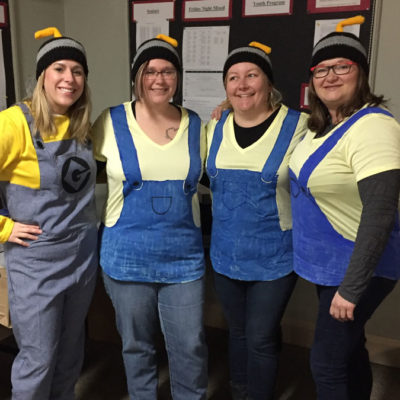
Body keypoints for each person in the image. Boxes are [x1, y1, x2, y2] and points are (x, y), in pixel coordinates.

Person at [289, 16, 400, 399]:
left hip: (358, 267)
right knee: (350, 350)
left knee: (326, 362)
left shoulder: (373, 127)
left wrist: (352, 290)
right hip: (332, 263)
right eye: (321, 69)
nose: (330, 76)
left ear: (361, 74)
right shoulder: (323, 126)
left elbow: (380, 213)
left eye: (342, 66)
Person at [92, 34, 208, 399]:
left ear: (177, 77)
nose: (159, 79)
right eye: (150, 71)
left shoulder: (196, 125)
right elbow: (76, 169)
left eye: (168, 71)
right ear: (136, 77)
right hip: (126, 259)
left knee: (190, 345)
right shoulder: (109, 121)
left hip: (184, 259)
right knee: (136, 346)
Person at [206, 42, 308, 400]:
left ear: (269, 83)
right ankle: (239, 391)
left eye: (252, 75)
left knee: (261, 336)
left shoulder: (300, 126)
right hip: (224, 253)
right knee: (237, 332)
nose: (242, 84)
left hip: (275, 256)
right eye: (233, 78)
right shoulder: (214, 127)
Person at [0, 27, 97, 399]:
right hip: (36, 263)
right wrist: (4, 229)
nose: (69, 78)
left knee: (70, 356)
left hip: (82, 257)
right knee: (38, 360)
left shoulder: (82, 123)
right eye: (59, 68)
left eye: (77, 70)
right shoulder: (14, 123)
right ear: (42, 75)